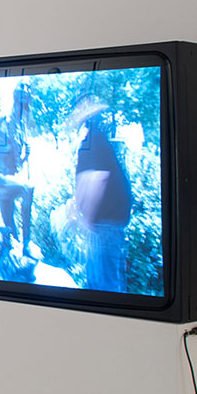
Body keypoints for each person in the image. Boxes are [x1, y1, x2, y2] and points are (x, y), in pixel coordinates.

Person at [65, 95, 133, 292]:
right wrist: (76, 206)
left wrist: (86, 220)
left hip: (104, 224)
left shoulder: (93, 141)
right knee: (102, 282)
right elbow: (87, 178)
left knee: (105, 286)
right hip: (107, 223)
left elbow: (97, 178)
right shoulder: (94, 140)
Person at [0, 83, 36, 261]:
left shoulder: (20, 127)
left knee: (11, 233)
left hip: (11, 179)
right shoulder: (1, 119)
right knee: (28, 188)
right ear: (15, 97)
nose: (24, 103)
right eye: (22, 97)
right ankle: (27, 243)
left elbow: (16, 163)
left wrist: (25, 156)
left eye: (26, 99)